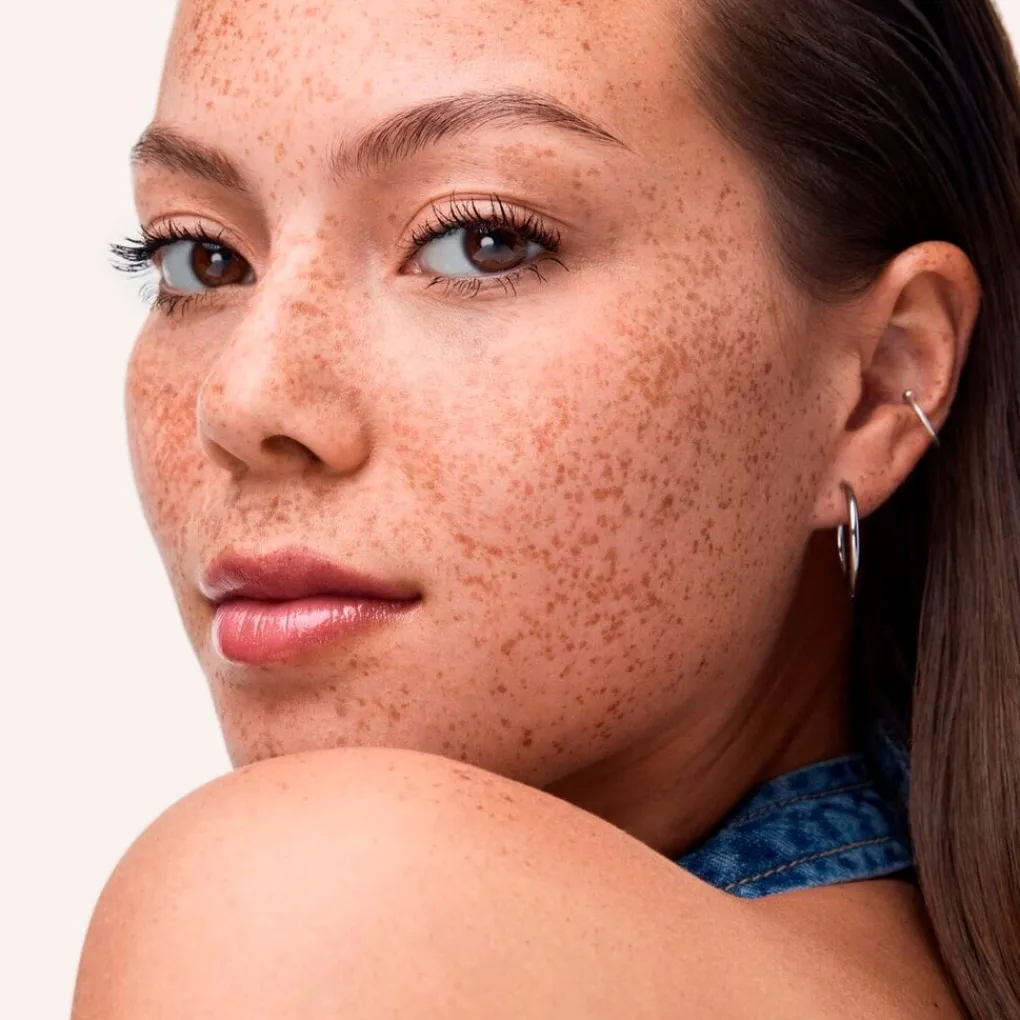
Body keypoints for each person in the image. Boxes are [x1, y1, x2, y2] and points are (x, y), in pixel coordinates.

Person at [71, 0, 1020, 1016]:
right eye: (198, 258)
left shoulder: (303, 909)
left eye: (481, 242)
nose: (243, 402)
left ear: (878, 384)